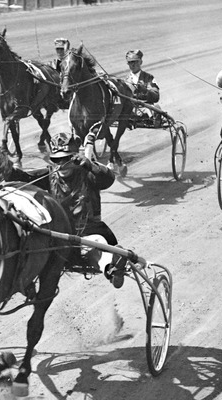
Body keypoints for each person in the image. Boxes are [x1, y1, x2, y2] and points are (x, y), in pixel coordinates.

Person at [9, 131, 130, 288]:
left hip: (88, 232)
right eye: (57, 160)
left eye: (66, 159)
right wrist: (9, 170)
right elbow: (25, 178)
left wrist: (90, 165)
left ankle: (112, 268)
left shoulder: (89, 174)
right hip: (58, 237)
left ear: (75, 157)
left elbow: (108, 178)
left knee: (95, 245)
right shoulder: (49, 175)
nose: (61, 164)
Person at [124, 50, 161, 122]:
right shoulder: (125, 80)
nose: (133, 65)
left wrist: (145, 90)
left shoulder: (149, 78)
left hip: (147, 107)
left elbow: (156, 97)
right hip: (131, 110)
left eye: (135, 62)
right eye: (130, 62)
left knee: (154, 109)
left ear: (140, 62)